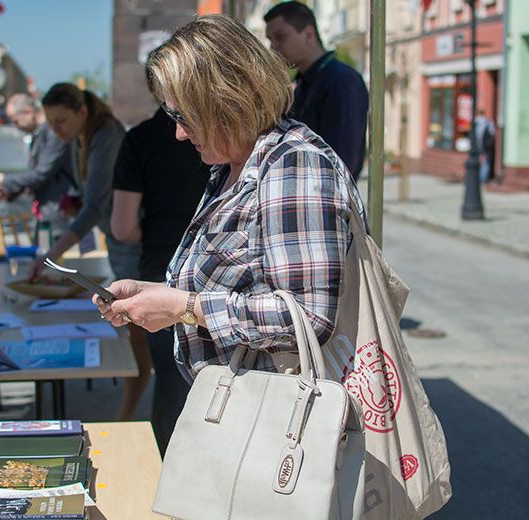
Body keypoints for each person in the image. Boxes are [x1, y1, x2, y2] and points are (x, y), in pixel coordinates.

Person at [95, 15, 366, 390]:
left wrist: (183, 307)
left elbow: (308, 316)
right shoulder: (237, 163)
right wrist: (158, 294)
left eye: (183, 116)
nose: (177, 132)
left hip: (279, 423)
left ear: (226, 100)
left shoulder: (293, 162)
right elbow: (236, 283)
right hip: (247, 406)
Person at [28, 83, 150, 421]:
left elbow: (97, 205)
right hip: (118, 240)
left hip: (132, 243)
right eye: (51, 122)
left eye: (61, 121)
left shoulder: (106, 136)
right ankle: (131, 410)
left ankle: (129, 415)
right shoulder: (81, 137)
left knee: (137, 333)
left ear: (82, 112)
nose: (56, 130)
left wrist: (53, 253)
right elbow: (92, 197)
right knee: (132, 332)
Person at [110, 67, 211, 455]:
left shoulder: (141, 140)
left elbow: (123, 226)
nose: (182, 134)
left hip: (164, 267)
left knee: (173, 393)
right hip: (197, 285)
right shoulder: (235, 150)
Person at [264, 1, 369, 181]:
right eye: (270, 40)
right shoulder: (303, 82)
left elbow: (342, 161)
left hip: (326, 200)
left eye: (280, 37)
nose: (273, 47)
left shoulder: (341, 81)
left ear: (308, 34)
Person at [0, 93, 74, 236]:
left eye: (16, 121)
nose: (16, 127)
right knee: (45, 256)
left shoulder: (54, 133)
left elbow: (42, 173)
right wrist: (9, 190)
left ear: (28, 112)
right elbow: (35, 174)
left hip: (61, 214)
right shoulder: (39, 135)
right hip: (49, 213)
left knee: (53, 257)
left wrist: (4, 180)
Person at [474, 109, 496, 183]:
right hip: (483, 146)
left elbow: (491, 135)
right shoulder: (486, 122)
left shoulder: (479, 123)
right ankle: (481, 178)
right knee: (484, 162)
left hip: (483, 146)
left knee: (484, 163)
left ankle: (482, 178)